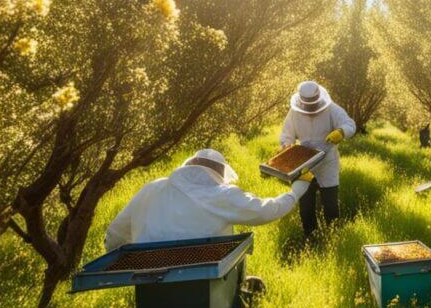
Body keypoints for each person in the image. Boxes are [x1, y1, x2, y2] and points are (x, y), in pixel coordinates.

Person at [104, 148, 309, 251]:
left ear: (189, 166)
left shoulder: (152, 188)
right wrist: (295, 192)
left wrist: (119, 262)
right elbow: (266, 210)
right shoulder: (221, 195)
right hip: (202, 272)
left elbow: (116, 232)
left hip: (149, 274)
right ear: (219, 173)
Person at [279, 80, 356, 238]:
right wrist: (286, 147)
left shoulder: (331, 109)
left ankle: (334, 237)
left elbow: (350, 124)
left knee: (330, 204)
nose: (311, 109)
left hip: (327, 161)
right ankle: (310, 237)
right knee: (306, 204)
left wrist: (341, 132)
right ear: (301, 102)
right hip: (303, 163)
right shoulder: (294, 112)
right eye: (308, 106)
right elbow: (287, 135)